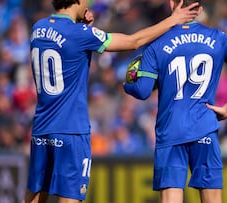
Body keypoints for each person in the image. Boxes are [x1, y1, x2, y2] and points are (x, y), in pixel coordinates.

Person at [24, 0, 200, 203]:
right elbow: (133, 41)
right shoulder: (80, 34)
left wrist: (82, 26)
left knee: (34, 197)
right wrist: (173, 20)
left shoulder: (39, 28)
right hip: (71, 130)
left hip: (42, 128)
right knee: (70, 198)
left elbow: (66, 49)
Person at [123, 0, 227, 202]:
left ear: (171, 4)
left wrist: (128, 83)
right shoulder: (219, 38)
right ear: (200, 9)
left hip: (170, 131)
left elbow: (142, 91)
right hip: (204, 127)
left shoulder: (156, 44)